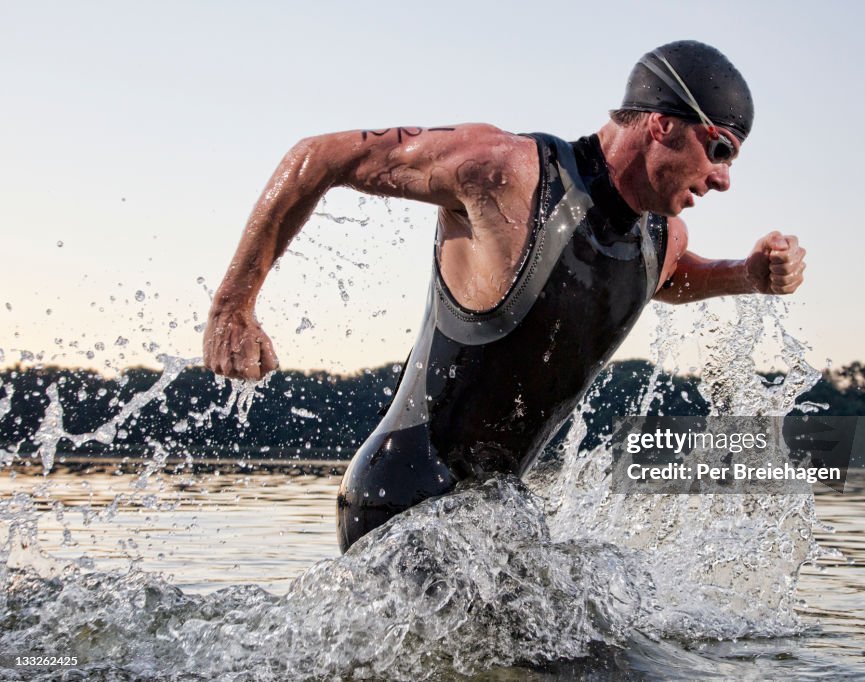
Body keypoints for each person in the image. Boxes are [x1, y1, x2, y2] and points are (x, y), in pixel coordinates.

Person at [203, 40, 806, 551]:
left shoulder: (662, 238)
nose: (725, 178)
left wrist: (746, 274)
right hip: (402, 496)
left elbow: (666, 280)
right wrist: (234, 305)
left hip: (493, 517)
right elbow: (320, 156)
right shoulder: (509, 172)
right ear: (662, 123)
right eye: (720, 148)